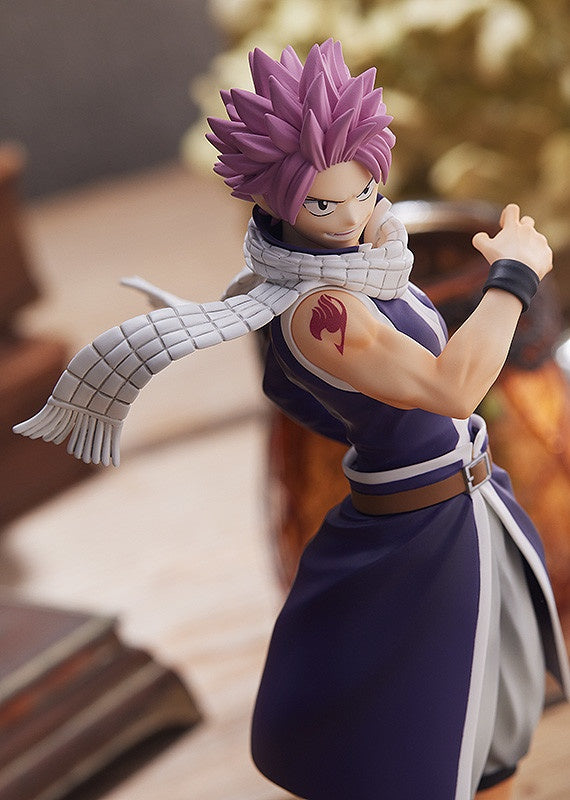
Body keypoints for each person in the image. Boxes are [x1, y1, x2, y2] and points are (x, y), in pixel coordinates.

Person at [14, 40, 569, 800]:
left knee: (490, 693)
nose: (353, 217)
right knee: (428, 711)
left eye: (365, 189)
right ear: (277, 201)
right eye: (322, 205)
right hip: (422, 525)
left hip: (467, 502)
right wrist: (513, 277)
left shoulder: (359, 260)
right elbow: (452, 389)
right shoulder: (321, 310)